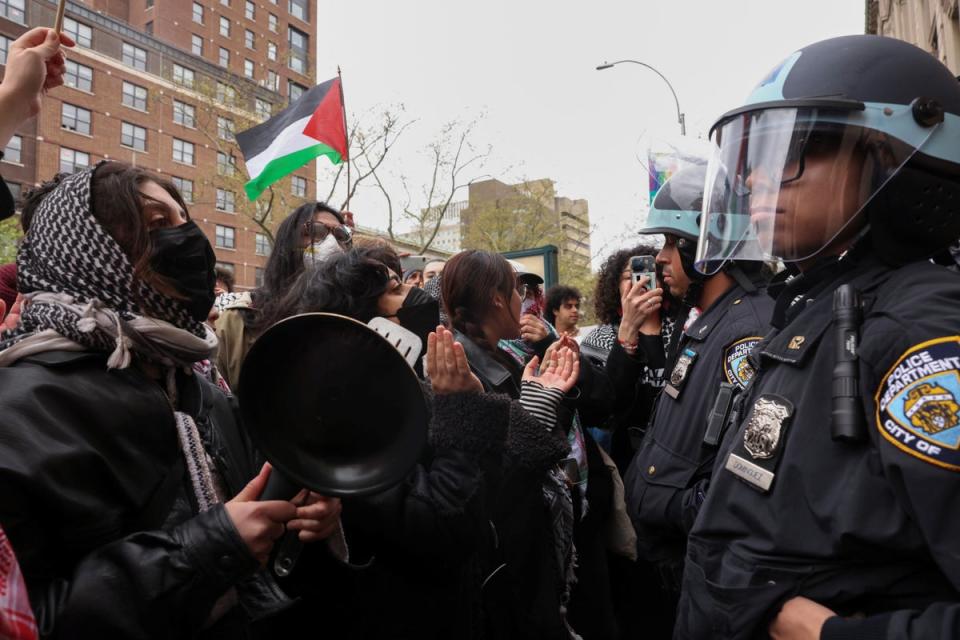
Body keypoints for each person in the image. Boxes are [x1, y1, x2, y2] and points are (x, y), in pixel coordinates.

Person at [676, 35, 960, 639]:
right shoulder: (818, 306)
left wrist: (835, 636)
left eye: (795, 148)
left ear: (896, 158)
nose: (754, 177)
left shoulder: (916, 331)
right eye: (750, 159)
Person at [0, 162, 343, 638]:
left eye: (185, 220)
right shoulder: (19, 413)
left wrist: (302, 520)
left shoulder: (200, 391)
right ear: (84, 252)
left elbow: (256, 525)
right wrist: (205, 551)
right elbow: (30, 620)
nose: (189, 240)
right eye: (158, 223)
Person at [267, 247, 578, 638]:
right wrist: (463, 408)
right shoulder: (350, 419)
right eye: (397, 289)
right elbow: (447, 526)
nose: (419, 299)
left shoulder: (409, 388)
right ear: (364, 320)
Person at [620, 165, 774, 639]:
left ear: (705, 246)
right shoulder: (708, 319)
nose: (661, 258)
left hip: (694, 559)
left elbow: (741, 475)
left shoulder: (746, 331)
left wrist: (678, 508)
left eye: (671, 243)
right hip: (672, 557)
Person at [441, 250, 591, 639]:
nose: (523, 300)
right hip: (504, 572)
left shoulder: (504, 357)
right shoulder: (459, 371)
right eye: (518, 290)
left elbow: (537, 439)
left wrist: (558, 396)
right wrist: (535, 410)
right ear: (496, 298)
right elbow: (493, 479)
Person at [215, 201, 352, 388]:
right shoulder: (238, 321)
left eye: (340, 235)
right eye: (314, 231)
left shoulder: (358, 315)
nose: (332, 244)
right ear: (288, 243)